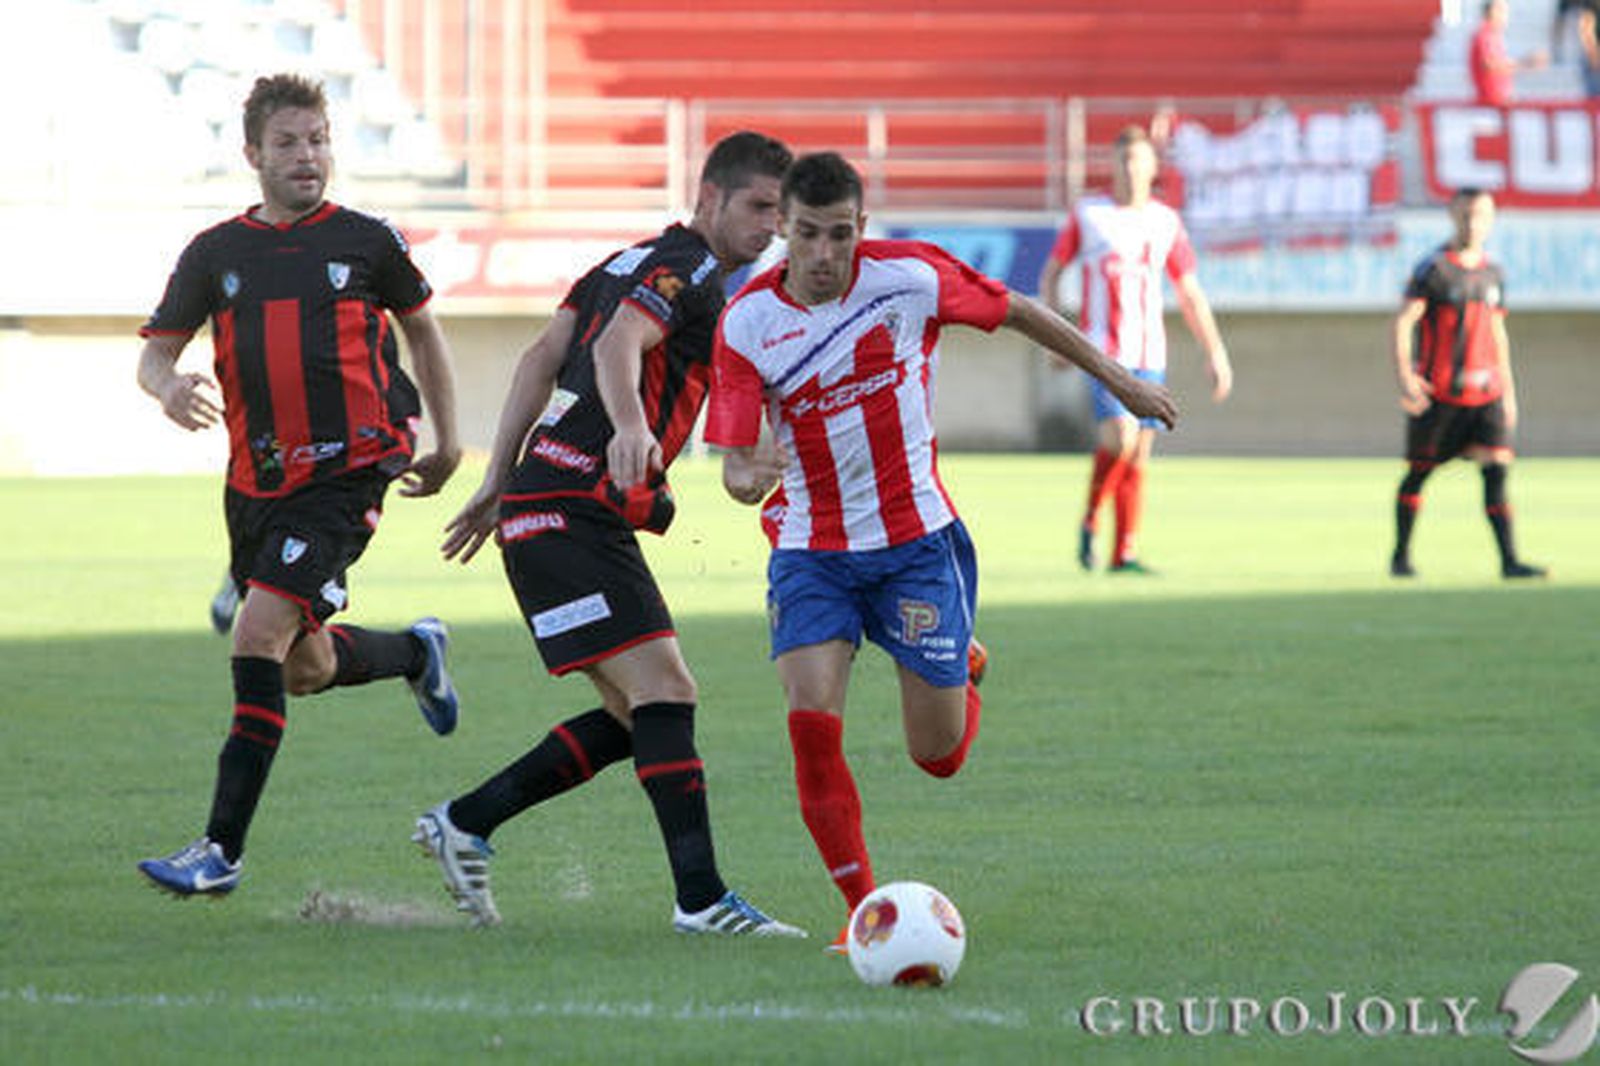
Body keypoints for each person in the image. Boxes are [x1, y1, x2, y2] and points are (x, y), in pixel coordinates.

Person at [704, 151, 1177, 948]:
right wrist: (749, 476)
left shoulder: (910, 279)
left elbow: (1019, 308)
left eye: (842, 235)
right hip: (810, 550)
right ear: (782, 228)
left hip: (916, 545)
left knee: (938, 758)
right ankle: (861, 917)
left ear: (862, 227)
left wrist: (1121, 380)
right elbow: (738, 464)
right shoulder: (747, 322)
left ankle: (964, 663)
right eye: (809, 235)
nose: (825, 255)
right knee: (811, 722)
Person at [413, 131, 805, 937]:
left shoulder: (620, 263)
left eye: (779, 210)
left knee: (642, 716)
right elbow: (625, 339)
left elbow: (539, 356)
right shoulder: (692, 268)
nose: (769, 225)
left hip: (545, 507)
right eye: (758, 206)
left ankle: (467, 821)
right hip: (575, 509)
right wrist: (629, 428)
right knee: (667, 693)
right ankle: (700, 902)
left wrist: (499, 480)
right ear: (710, 199)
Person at [135, 74, 463, 898]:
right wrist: (166, 387)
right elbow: (154, 355)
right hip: (256, 484)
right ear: (253, 154)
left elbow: (423, 328)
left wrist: (451, 438)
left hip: (348, 471)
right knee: (301, 667)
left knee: (254, 638)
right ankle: (415, 651)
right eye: (287, 142)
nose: (306, 156)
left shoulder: (367, 241)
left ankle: (220, 852)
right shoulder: (216, 254)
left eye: (317, 139)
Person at [1037, 125, 1230, 575]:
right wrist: (1057, 335)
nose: (1129, 168)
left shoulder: (1165, 220)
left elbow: (1190, 292)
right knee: (1118, 439)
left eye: (1138, 160)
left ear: (1152, 167)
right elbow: (1051, 274)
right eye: (1122, 159)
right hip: (1104, 349)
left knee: (1139, 451)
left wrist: (1215, 352)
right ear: (1113, 164)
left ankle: (1123, 552)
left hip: (1151, 351)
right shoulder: (1089, 214)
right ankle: (1089, 520)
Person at [1390, 187, 1546, 581]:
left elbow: (1497, 333)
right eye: (1465, 215)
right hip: (1440, 394)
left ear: (1491, 220)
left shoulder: (1493, 272)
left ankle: (1510, 562)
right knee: (1419, 473)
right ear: (1452, 216)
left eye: (1480, 216)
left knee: (1497, 470)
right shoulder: (1434, 268)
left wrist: (1509, 391)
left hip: (1486, 393)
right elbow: (1404, 321)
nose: (1472, 223)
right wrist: (1406, 376)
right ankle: (1400, 557)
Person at [1470, 0, 1548, 108]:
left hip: (1498, 101)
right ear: (1492, 12)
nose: (1506, 16)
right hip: (1490, 104)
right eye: (1502, 11)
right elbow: (1490, 65)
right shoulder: (1485, 35)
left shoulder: (1492, 35)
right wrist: (1527, 63)